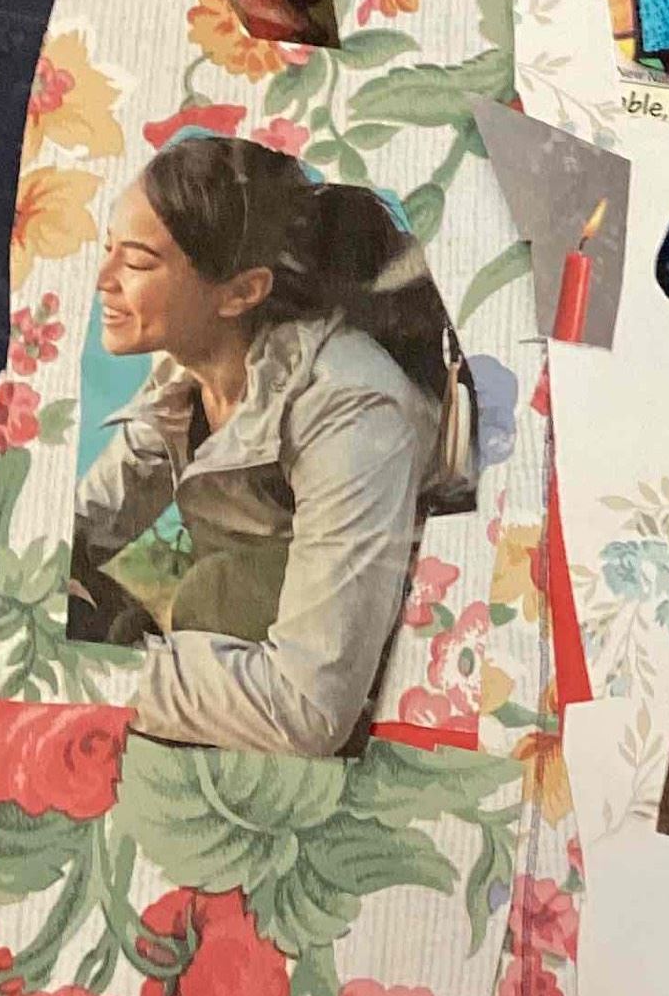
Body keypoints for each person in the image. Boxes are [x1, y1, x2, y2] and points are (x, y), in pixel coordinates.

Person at [70, 134, 473, 756]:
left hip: (374, 689)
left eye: (140, 263)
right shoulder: (191, 372)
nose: (102, 280)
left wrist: (94, 676)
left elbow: (310, 710)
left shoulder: (350, 408)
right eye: (108, 251)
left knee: (215, 596)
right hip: (262, 644)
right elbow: (84, 525)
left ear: (241, 292)